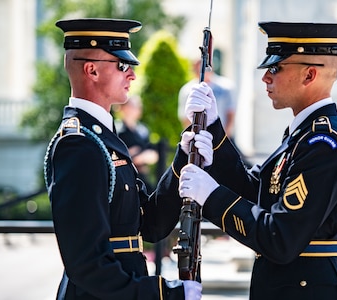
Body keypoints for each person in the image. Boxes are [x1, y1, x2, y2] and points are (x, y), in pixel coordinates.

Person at [177, 22, 337, 299]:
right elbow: (255, 190)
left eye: (275, 68)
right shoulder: (301, 135)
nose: (265, 78)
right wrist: (213, 128)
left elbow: (280, 238)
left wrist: (211, 196)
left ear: (309, 74)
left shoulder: (323, 143)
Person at [44, 18, 210, 300]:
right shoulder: (79, 144)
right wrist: (163, 295)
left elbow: (150, 224)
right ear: (91, 70)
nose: (131, 75)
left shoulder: (102, 137)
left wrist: (184, 157)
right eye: (122, 66)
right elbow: (86, 263)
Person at [178, 59, 236, 137]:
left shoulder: (225, 87)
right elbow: (185, 118)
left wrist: (223, 137)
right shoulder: (187, 90)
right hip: (199, 137)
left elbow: (231, 113)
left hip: (222, 136)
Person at [117, 95, 159, 192]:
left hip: (143, 179)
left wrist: (137, 156)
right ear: (123, 107)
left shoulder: (143, 130)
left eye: (138, 106)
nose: (136, 109)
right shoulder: (117, 130)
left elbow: (153, 155)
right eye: (133, 105)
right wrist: (136, 156)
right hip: (125, 180)